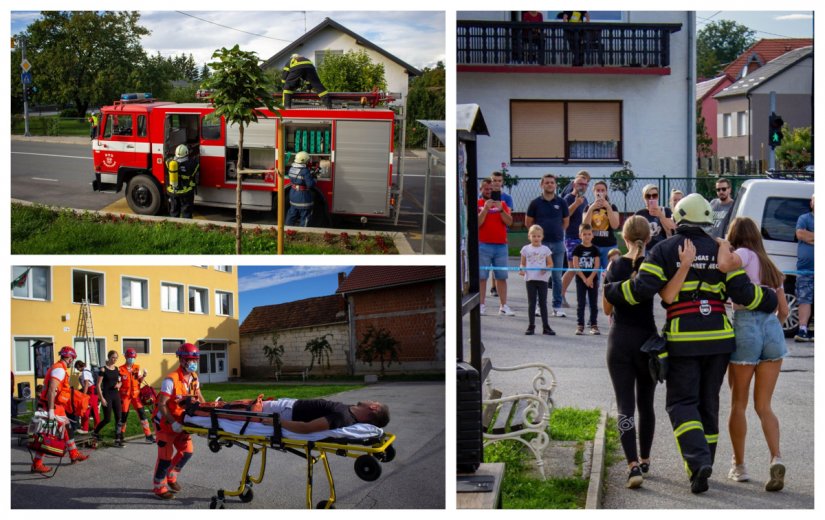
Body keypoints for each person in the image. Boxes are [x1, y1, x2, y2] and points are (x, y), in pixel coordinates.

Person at [603, 193, 778, 494]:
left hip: (685, 338)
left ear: (680, 216)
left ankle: (698, 463)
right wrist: (771, 297)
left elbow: (642, 290)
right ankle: (703, 465)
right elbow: (744, 294)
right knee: (708, 403)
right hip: (719, 340)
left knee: (681, 403)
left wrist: (612, 290)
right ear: (708, 219)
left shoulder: (664, 249)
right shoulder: (722, 249)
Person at [604, 215, 695, 489]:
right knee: (647, 404)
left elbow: (607, 308)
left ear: (624, 237)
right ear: (649, 237)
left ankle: (632, 465)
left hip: (619, 339)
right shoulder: (653, 265)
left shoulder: (614, 264)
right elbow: (668, 295)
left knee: (624, 406)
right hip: (647, 340)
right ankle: (645, 458)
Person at [716, 217, 789, 492]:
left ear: (736, 237)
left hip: (746, 325)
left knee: (738, 404)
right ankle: (776, 457)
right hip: (771, 330)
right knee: (764, 406)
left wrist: (723, 243)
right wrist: (771, 331)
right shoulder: (770, 265)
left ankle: (739, 465)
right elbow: (783, 311)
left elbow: (724, 265)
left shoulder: (743, 254)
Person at [152, 343, 206, 500]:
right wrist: (173, 423)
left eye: (195, 359)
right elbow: (162, 404)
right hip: (166, 423)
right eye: (190, 359)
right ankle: (159, 487)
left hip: (183, 421)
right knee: (165, 458)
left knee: (187, 452)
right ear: (181, 360)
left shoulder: (194, 377)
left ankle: (171, 476)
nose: (193, 362)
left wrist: (204, 415)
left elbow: (199, 396)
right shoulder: (170, 380)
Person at [31, 347, 89, 473]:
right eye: (72, 359)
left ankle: (74, 454)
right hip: (50, 406)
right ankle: (37, 464)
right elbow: (52, 390)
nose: (72, 362)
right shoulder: (59, 370)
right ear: (69, 358)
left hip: (58, 407)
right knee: (47, 435)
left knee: (67, 430)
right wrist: (51, 410)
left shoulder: (59, 368)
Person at [525, 174, 570, 317]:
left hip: (557, 244)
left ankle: (557, 307)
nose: (550, 185)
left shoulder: (562, 202)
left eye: (552, 183)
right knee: (539, 276)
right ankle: (539, 306)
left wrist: (556, 232)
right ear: (542, 185)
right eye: (547, 183)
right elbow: (528, 223)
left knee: (557, 277)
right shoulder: (535, 203)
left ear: (555, 185)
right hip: (541, 246)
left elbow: (565, 222)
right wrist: (538, 238)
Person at [478, 178, 515, 316]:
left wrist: (501, 210)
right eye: (486, 189)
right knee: (482, 276)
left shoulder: (503, 204)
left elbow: (509, 222)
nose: (489, 191)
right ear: (481, 190)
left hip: (500, 245)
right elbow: (477, 223)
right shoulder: (478, 203)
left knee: (501, 276)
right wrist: (485, 209)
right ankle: (481, 305)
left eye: (491, 189)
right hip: (483, 244)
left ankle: (503, 305)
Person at [561, 171, 591, 308]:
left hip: (583, 237)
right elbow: (565, 215)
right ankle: (559, 295)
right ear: (574, 184)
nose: (582, 187)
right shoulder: (568, 197)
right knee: (572, 268)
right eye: (580, 184)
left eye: (585, 185)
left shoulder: (585, 199)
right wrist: (576, 203)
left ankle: (582, 297)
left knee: (583, 268)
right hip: (571, 236)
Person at [519, 224, 555, 336]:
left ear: (542, 237)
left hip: (542, 280)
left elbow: (551, 264)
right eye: (533, 236)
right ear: (529, 236)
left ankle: (546, 326)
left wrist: (546, 268)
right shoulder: (525, 249)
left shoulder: (545, 249)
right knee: (531, 303)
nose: (536, 238)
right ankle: (531, 326)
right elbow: (522, 263)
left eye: (538, 236)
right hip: (530, 279)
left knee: (543, 303)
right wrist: (522, 269)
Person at [118, 348, 155, 443]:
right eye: (130, 357)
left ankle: (148, 435)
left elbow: (139, 381)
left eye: (133, 357)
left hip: (136, 396)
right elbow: (118, 382)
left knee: (142, 414)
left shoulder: (136, 368)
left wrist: (144, 375)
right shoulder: (120, 369)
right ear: (126, 357)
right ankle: (121, 434)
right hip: (125, 396)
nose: (131, 359)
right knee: (124, 416)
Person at [583, 180, 620, 272]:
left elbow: (615, 225)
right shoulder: (588, 207)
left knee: (610, 274)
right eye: (598, 190)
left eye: (602, 190)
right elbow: (585, 226)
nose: (600, 192)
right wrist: (591, 208)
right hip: (592, 245)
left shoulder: (612, 206)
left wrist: (608, 207)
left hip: (609, 245)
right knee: (592, 275)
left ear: (606, 192)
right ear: (594, 192)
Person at [489, 171, 515, 299]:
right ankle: (492, 285)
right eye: (494, 180)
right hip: (487, 232)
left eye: (499, 181)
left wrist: (500, 208)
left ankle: (497, 287)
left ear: (502, 182)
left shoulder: (507, 198)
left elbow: (508, 216)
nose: (496, 183)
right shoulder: (484, 196)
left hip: (501, 233)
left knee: (499, 263)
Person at [572, 223, 601, 335]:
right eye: (584, 234)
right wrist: (585, 279)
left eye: (589, 234)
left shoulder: (595, 249)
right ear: (580, 235)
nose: (587, 236)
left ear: (592, 235)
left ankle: (594, 325)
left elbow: (597, 266)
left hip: (592, 280)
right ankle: (580, 325)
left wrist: (590, 278)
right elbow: (576, 266)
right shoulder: (577, 249)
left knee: (593, 303)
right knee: (581, 303)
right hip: (581, 280)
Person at [794, 194, 814, 342]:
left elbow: (808, 237)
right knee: (804, 298)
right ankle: (803, 330)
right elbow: (801, 234)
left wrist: (812, 237)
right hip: (806, 268)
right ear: (811, 203)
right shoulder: (804, 218)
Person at [94, 350, 124, 447]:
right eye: (113, 357)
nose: (114, 359)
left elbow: (120, 381)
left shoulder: (117, 369)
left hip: (116, 395)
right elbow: (98, 385)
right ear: (109, 357)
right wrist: (101, 398)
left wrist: (119, 384)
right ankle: (95, 432)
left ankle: (118, 439)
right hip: (107, 395)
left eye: (116, 358)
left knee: (119, 417)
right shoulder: (103, 369)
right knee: (107, 419)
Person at [635, 184, 675, 250]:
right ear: (644, 198)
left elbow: (672, 230)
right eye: (648, 196)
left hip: (663, 249)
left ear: (658, 197)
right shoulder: (639, 214)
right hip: (645, 250)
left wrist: (661, 215)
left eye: (654, 195)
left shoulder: (666, 211)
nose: (651, 198)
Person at [166, 144, 198, 219]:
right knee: (186, 212)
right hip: (186, 192)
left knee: (174, 211)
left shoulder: (171, 163)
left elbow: (167, 160)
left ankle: (174, 226)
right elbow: (196, 165)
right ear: (187, 153)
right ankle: (186, 226)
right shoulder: (191, 164)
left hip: (173, 192)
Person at [286, 151, 316, 227]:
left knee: (292, 214)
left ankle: (287, 230)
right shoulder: (305, 171)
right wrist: (314, 178)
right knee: (305, 215)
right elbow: (310, 184)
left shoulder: (291, 168)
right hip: (303, 197)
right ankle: (303, 231)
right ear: (304, 160)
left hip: (293, 194)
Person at [75, 360, 99, 434]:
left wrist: (84, 395)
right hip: (94, 392)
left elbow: (86, 384)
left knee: (85, 409)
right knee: (95, 411)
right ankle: (97, 428)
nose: (77, 369)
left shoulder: (85, 372)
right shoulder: (88, 370)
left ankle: (85, 428)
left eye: (77, 368)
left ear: (79, 366)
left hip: (90, 392)